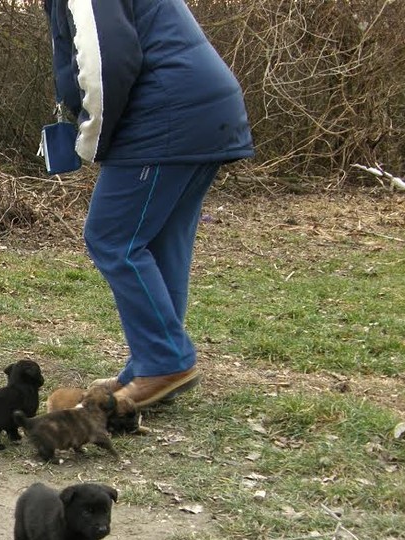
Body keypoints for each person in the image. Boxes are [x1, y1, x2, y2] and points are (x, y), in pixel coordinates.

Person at [44, 0, 254, 407]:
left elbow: (104, 61)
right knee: (160, 241)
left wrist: (90, 140)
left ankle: (163, 360)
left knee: (111, 237)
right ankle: (153, 365)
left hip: (167, 117)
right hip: (201, 112)